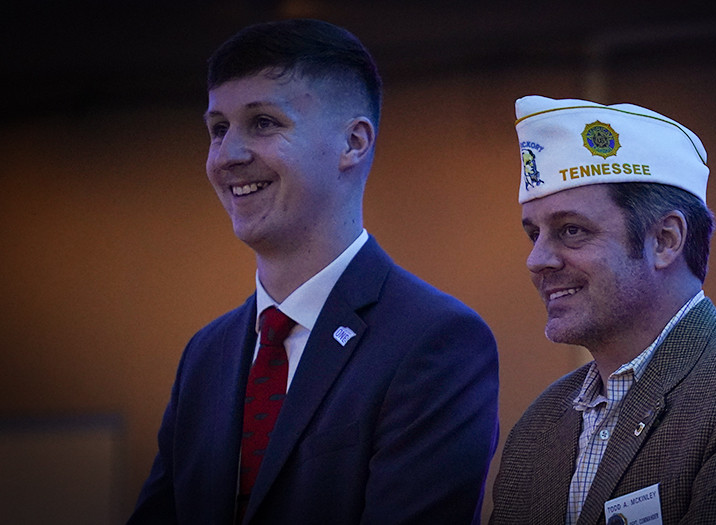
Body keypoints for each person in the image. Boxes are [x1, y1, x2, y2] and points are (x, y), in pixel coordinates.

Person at [129, 19, 499, 525]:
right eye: (218, 129)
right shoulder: (206, 355)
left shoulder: (436, 341)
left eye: (263, 123)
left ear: (353, 143)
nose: (227, 156)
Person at [491, 95, 716, 524]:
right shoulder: (538, 427)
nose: (537, 259)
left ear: (666, 240)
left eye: (571, 230)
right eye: (534, 234)